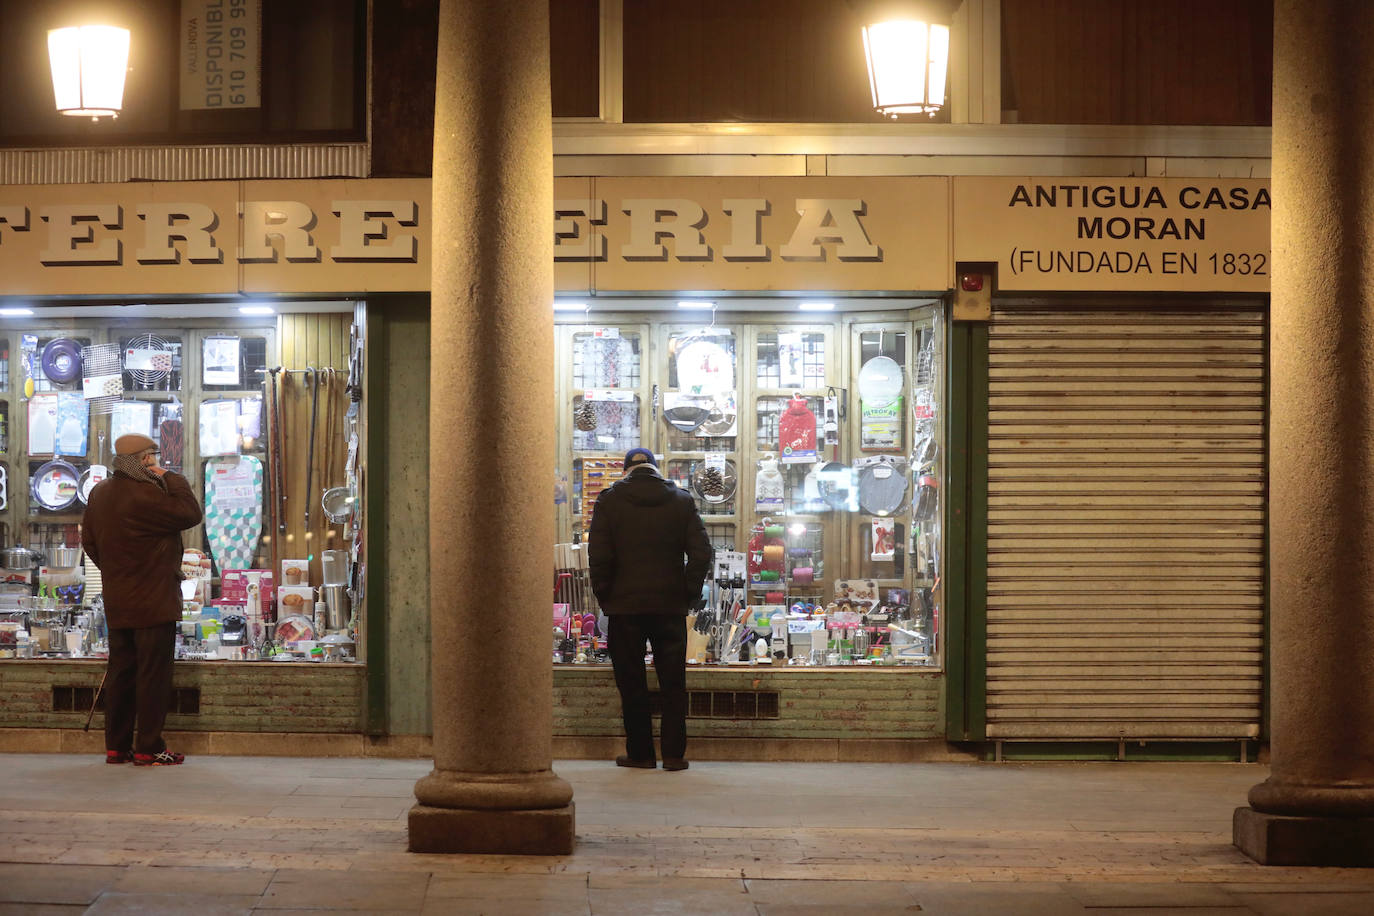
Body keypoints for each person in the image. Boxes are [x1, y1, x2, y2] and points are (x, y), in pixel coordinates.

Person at [82, 433, 203, 766]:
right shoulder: (148, 493)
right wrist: (170, 476)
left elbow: (90, 543)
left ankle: (116, 748)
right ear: (144, 460)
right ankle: (149, 747)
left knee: (121, 673)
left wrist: (117, 572)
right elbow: (190, 513)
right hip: (154, 600)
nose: (156, 462)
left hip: (119, 601)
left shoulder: (100, 493)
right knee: (153, 676)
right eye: (153, 456)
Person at [588, 447, 711, 771]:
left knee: (632, 683)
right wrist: (686, 594)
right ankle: (673, 755)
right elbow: (701, 554)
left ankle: (640, 754)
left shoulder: (609, 501)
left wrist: (607, 598)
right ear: (656, 469)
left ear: (627, 470)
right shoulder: (682, 501)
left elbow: (599, 557)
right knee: (673, 683)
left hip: (624, 609)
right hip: (669, 607)